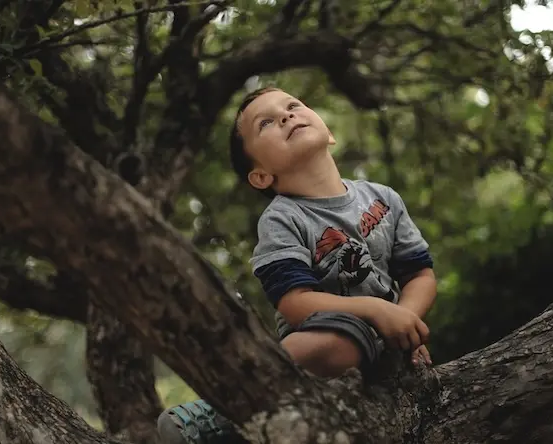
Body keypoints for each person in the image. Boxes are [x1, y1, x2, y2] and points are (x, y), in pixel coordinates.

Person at [157, 87, 437, 444]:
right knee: (342, 340)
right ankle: (218, 414)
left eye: (293, 106)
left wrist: (405, 323)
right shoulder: (283, 219)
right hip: (320, 347)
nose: (287, 116)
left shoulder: (383, 198)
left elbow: (420, 274)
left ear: (328, 132)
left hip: (385, 351)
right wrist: (375, 309)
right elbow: (295, 303)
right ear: (260, 176)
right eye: (267, 123)